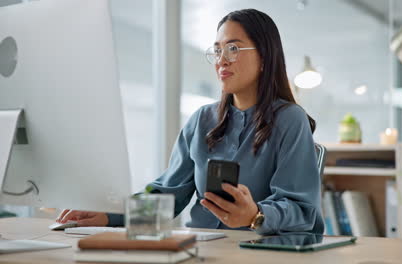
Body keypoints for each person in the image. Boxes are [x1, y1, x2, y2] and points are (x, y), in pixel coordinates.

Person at [56, 8, 324, 235]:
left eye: (232, 48)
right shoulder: (202, 120)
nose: (221, 60)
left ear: (265, 57)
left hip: (257, 252)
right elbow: (168, 196)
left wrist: (255, 215)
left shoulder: (290, 120)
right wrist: (109, 215)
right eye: (217, 50)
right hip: (200, 245)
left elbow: (301, 208)